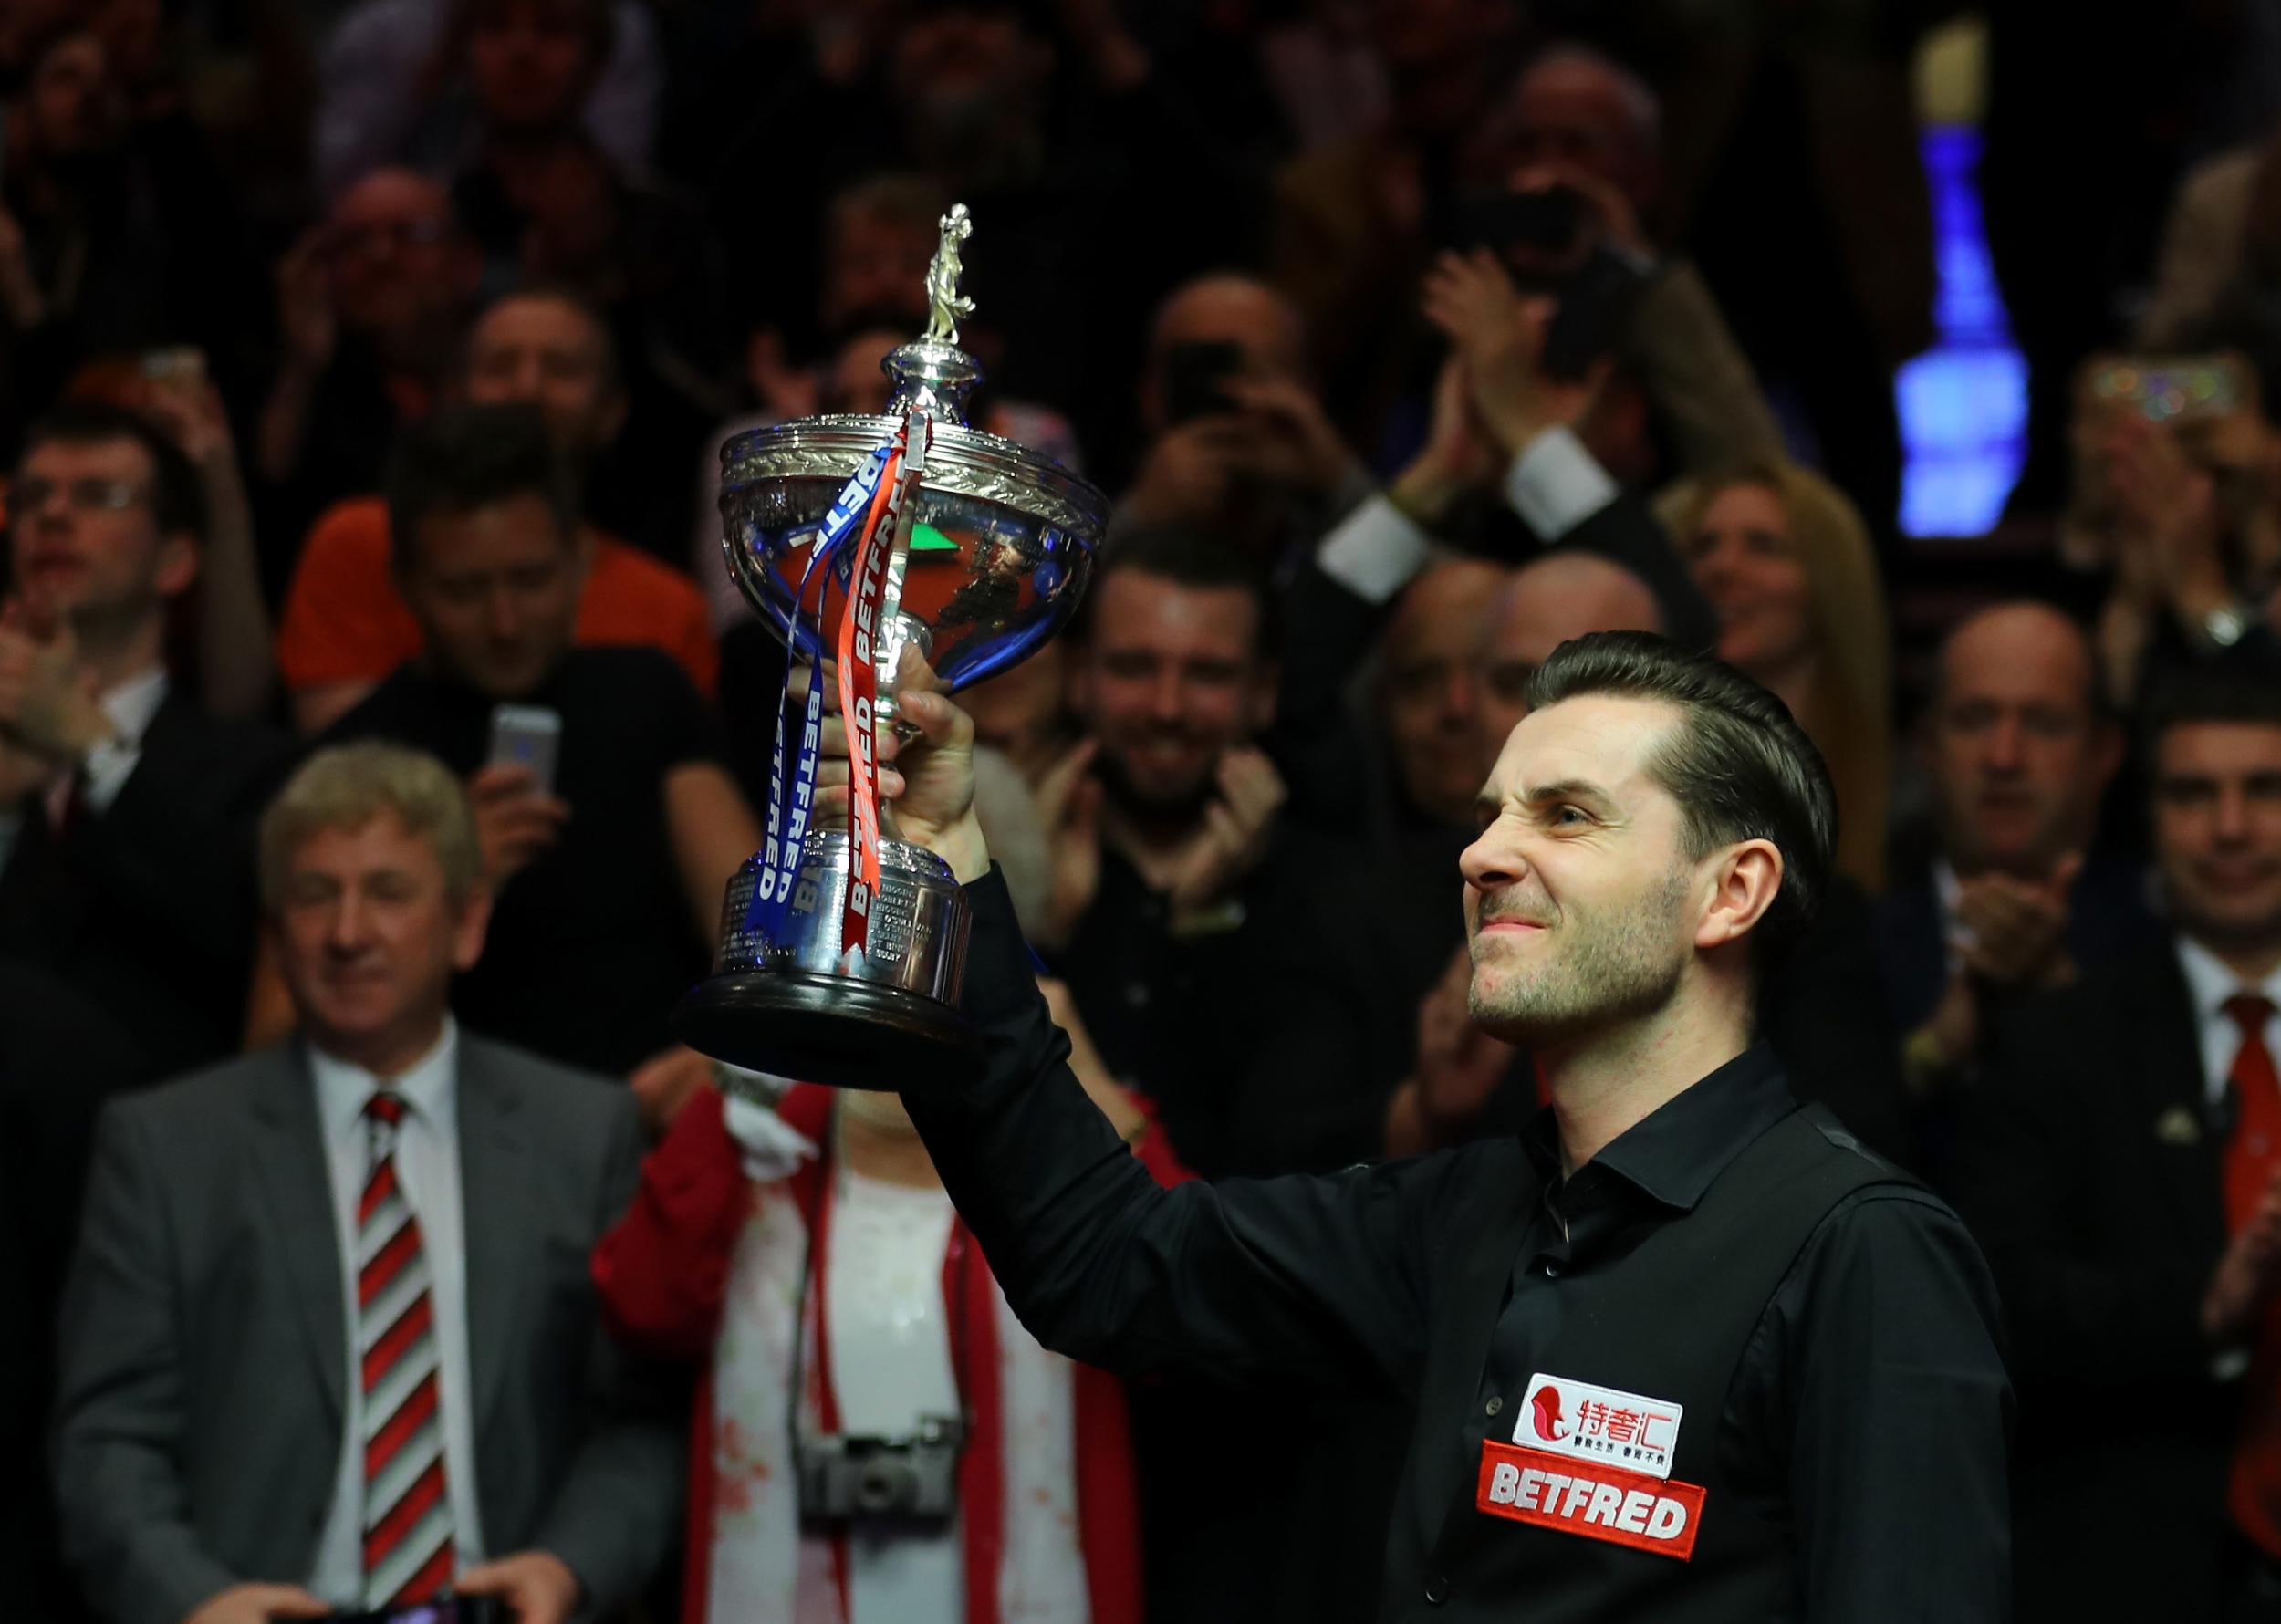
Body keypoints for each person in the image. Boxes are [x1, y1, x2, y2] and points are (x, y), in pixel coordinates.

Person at [828, 629, 2009, 1620]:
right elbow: (1104, 1264)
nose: (1484, 852)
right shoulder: (1467, 1215)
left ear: (1731, 892)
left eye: (1567, 815)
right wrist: (941, 862)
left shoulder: (1860, 1250)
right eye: (1492, 813)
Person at [53, 742, 682, 1624]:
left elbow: (640, 1422)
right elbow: (108, 1440)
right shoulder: (167, 1146)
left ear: (466, 923)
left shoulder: (582, 1135)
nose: (349, 933)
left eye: (388, 892)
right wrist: (195, 1603)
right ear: (275, 931)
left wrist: (568, 1568)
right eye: (315, 895)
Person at [1949, 667, 2281, 1619]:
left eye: (2263, 789)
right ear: (2148, 819)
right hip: (2129, 1564)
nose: (2229, 827)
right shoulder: (2058, 1041)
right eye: (2192, 794)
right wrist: (2202, 1309)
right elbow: (1994, 1298)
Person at [318, 402, 756, 1085]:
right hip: (460, 1127)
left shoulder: (645, 693)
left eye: (531, 579)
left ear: (580, 560)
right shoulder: (356, 761)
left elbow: (753, 941)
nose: (504, 620)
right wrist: (443, 884)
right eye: (464, 590)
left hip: (662, 1106)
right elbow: (310, 1039)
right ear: (404, 585)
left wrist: (723, 1061)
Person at [0, 400, 292, 1079]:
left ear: (176, 560)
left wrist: (91, 747)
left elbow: (240, 934)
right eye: (34, 495)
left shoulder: (253, 765)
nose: (52, 515)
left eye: (99, 496)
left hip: (165, 1140)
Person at [278, 286, 717, 733]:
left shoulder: (669, 607)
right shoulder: (361, 540)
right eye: (500, 366)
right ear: (454, 392)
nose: (527, 389)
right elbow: (341, 767)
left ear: (612, 412)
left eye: (561, 368)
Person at [1879, 602, 2150, 1100]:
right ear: (1925, 745)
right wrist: (1933, 1050)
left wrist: (2066, 999)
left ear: (2105, 752)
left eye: (2044, 724)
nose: (2004, 757)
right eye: (1974, 719)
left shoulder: (2163, 930)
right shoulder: (1843, 939)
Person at [1661, 459, 1893, 892]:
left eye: (1764, 546)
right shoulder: (1652, 778)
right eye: (1703, 546)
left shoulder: (1903, 805)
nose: (1722, 567)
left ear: (1830, 585)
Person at [254, 168, 482, 599]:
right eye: (353, 242)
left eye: (412, 234)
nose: (380, 256)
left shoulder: (511, 371)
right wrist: (301, 367)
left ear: (467, 263)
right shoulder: (312, 392)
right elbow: (269, 518)